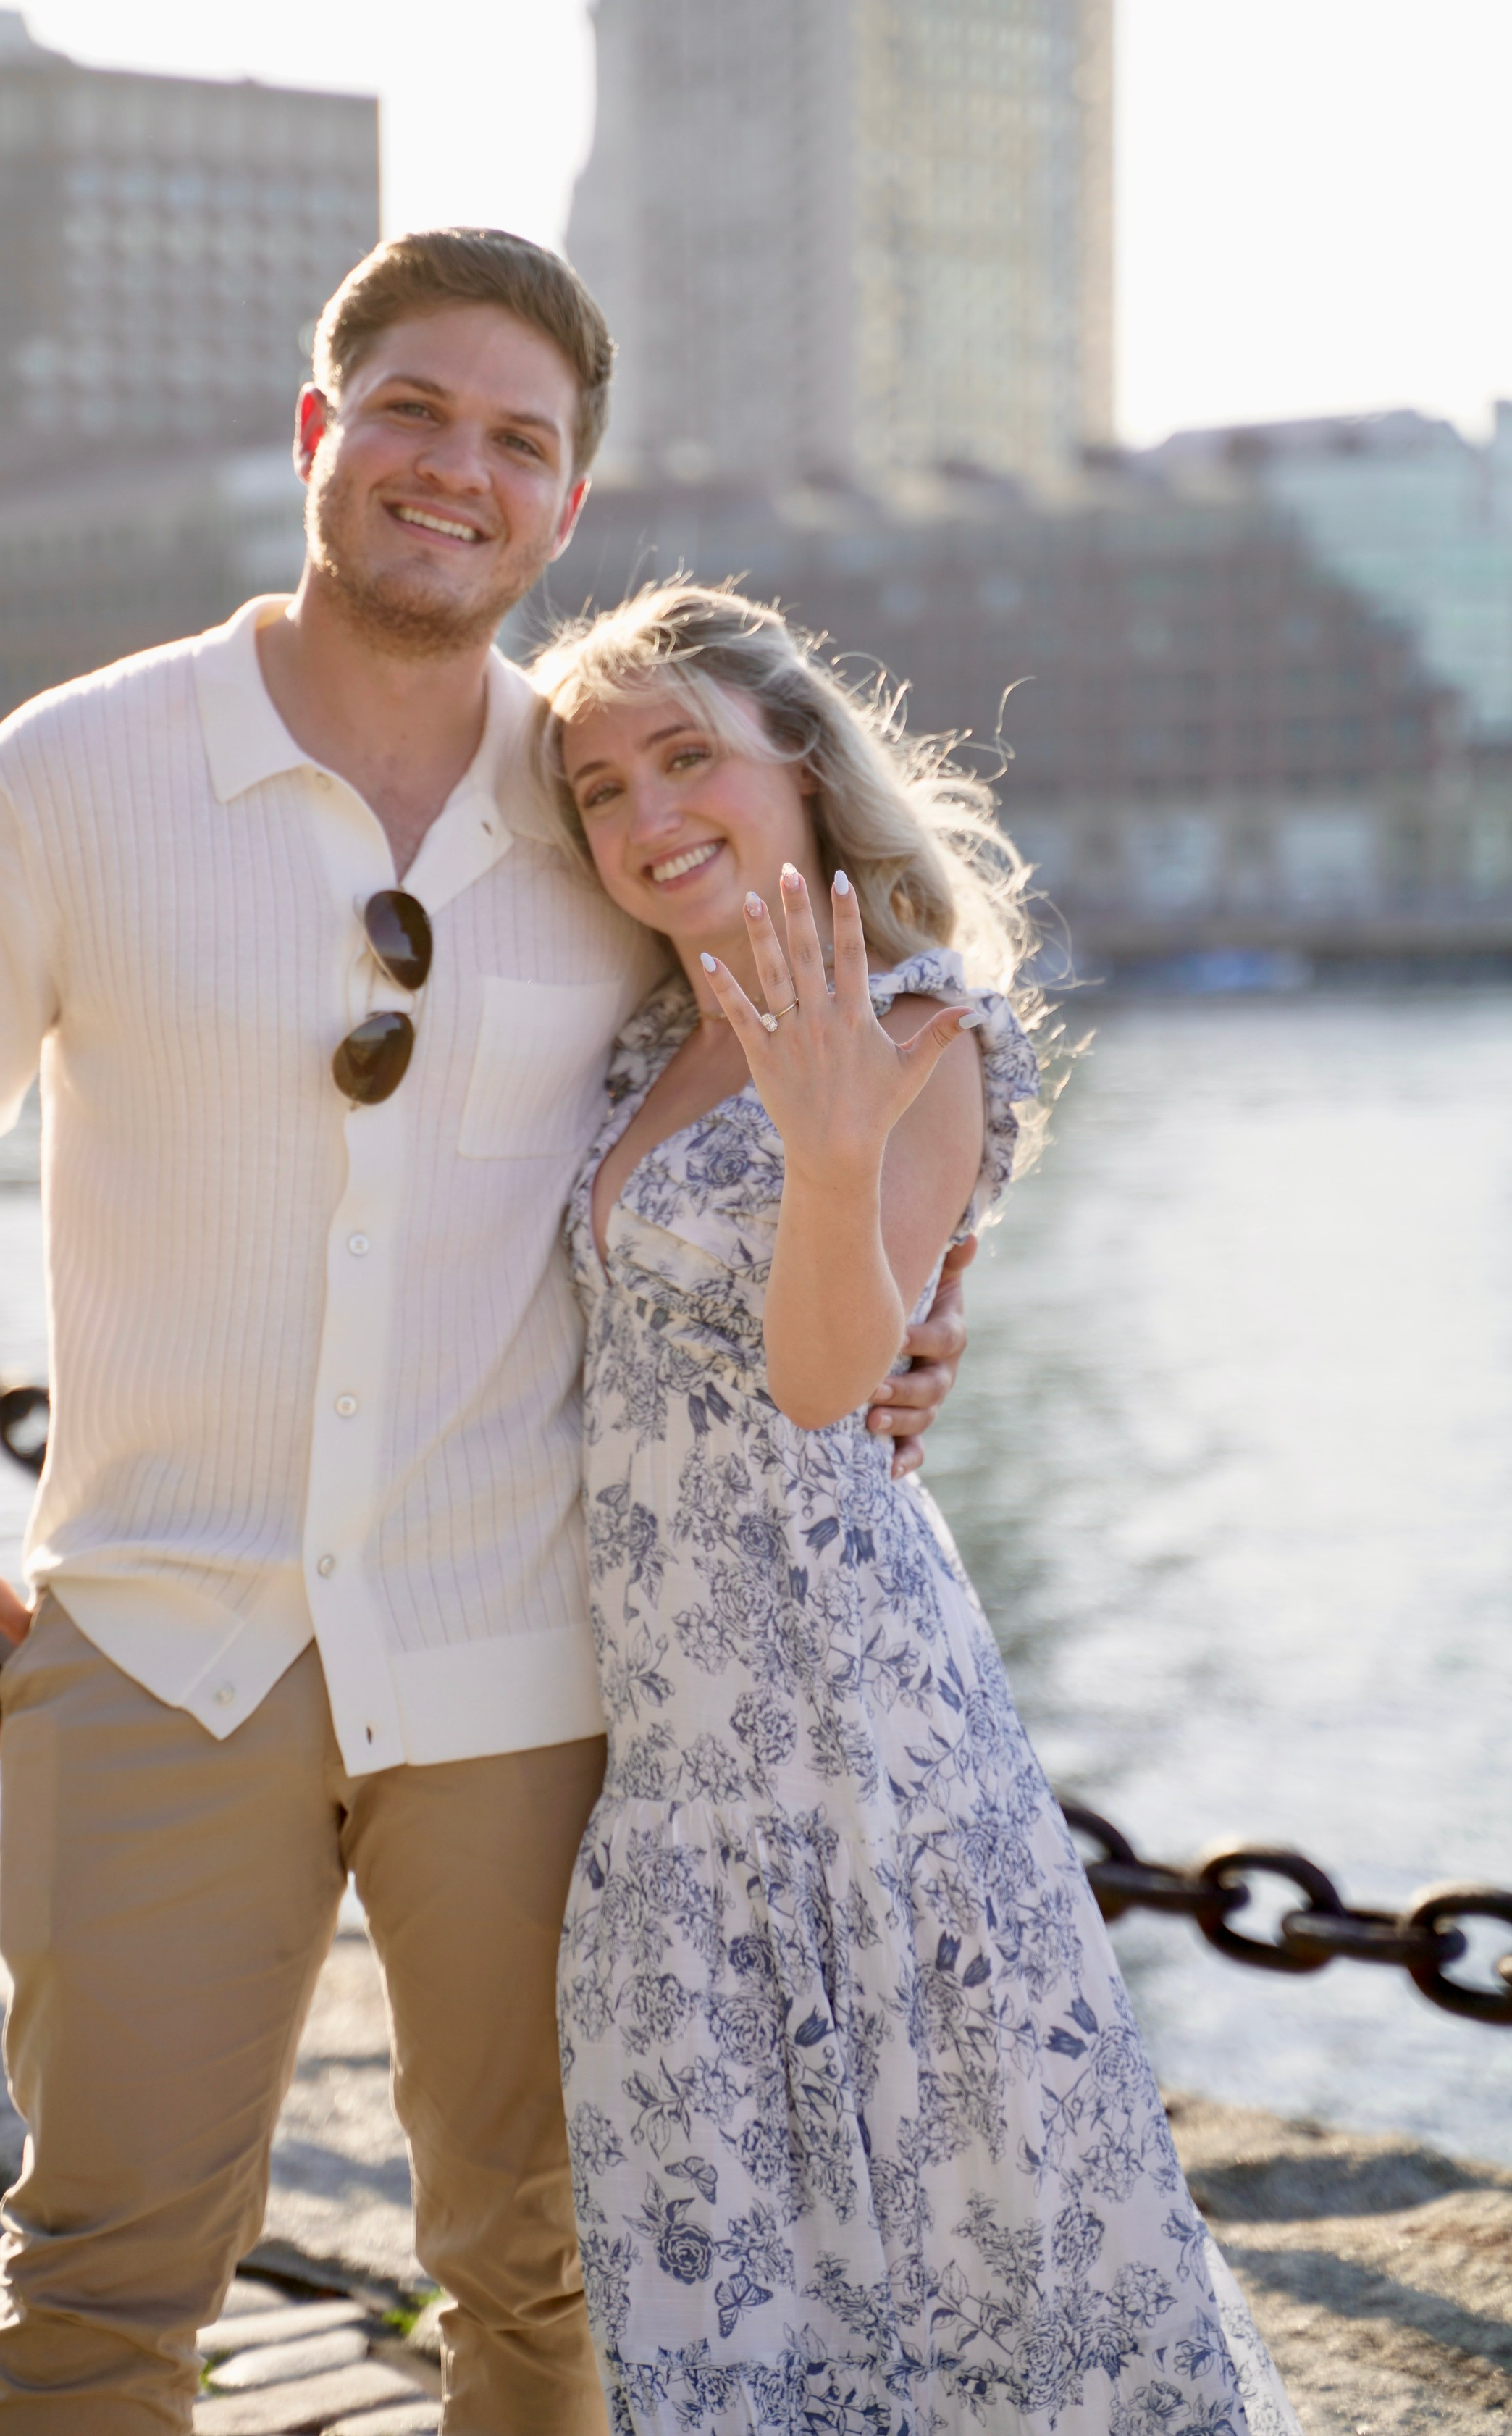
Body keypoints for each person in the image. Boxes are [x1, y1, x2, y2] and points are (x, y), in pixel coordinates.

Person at [0, 230, 970, 2435]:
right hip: (162, 1635)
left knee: (551, 2285)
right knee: (94, 2282)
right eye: (416, 412)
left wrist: (934, 1309)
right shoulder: (71, 770)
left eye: (520, 444)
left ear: (564, 508)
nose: (460, 469)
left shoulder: (610, 814)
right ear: (316, 435)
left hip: (531, 1659)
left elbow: (838, 1093)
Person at [531, 582, 1301, 2436]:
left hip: (845, 1733)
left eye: (685, 755)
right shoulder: (645, 1038)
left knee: (954, 2239)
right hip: (676, 1744)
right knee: (736, 2263)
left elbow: (818, 1381)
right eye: (598, 787)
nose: (643, 814)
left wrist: (836, 1143)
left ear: (799, 757)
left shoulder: (912, 1018)